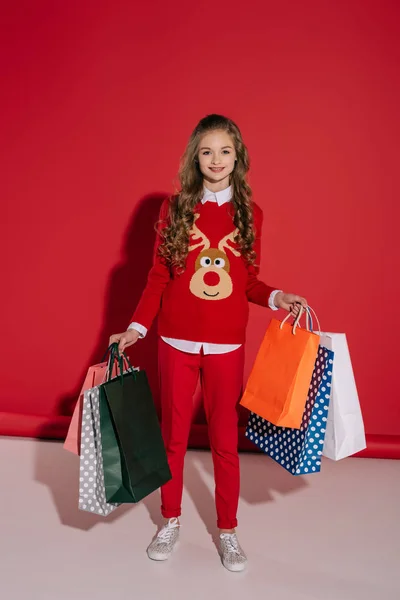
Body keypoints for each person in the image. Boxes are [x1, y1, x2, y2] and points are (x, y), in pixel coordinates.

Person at [109, 114, 307, 572]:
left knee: (224, 442)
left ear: (237, 157)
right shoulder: (175, 208)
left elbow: (248, 281)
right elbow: (159, 276)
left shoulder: (250, 214)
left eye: (224, 151)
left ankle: (228, 530)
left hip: (225, 347)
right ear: (194, 158)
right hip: (175, 342)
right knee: (172, 438)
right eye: (206, 151)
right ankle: (171, 519)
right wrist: (137, 329)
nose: (215, 159)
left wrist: (278, 297)